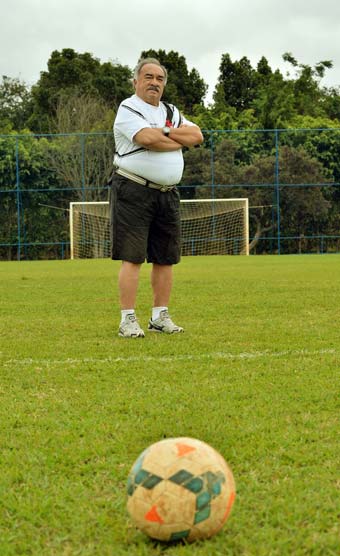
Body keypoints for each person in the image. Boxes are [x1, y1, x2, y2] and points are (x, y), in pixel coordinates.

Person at [111, 57, 203, 338]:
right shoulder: (128, 108)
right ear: (136, 81)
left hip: (167, 193)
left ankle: (159, 316)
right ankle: (128, 319)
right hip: (133, 190)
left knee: (165, 258)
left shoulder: (171, 111)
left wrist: (163, 130)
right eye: (148, 77)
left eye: (159, 79)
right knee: (133, 257)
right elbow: (147, 139)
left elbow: (197, 135)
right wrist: (175, 138)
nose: (154, 83)